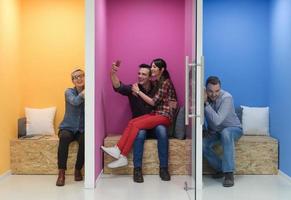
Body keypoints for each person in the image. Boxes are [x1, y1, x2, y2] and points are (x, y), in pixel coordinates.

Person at [101, 58, 177, 179]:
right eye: (139, 73)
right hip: (146, 122)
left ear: (150, 76)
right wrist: (113, 73)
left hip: (158, 120)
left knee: (161, 131)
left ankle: (164, 169)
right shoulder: (134, 88)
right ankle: (137, 169)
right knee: (138, 129)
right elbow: (118, 86)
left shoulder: (158, 84)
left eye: (144, 74)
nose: (140, 76)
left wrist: (140, 93)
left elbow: (159, 102)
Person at [203, 76, 242, 187]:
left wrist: (205, 104)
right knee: (201, 145)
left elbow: (217, 121)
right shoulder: (203, 96)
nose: (214, 94)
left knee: (226, 133)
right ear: (206, 90)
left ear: (220, 88)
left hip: (234, 129)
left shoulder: (227, 98)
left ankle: (229, 173)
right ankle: (220, 168)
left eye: (217, 91)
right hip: (215, 132)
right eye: (210, 91)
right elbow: (200, 117)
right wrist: (203, 130)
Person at [56, 69, 85, 186]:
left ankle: (78, 169)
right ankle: (61, 173)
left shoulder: (91, 91)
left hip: (82, 129)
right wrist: (83, 93)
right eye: (75, 77)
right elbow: (74, 102)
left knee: (85, 140)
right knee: (64, 137)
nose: (79, 79)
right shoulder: (69, 92)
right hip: (67, 127)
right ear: (72, 81)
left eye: (81, 76)